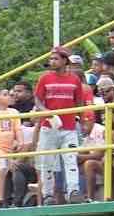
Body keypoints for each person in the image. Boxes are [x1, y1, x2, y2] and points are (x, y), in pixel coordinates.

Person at [33, 47, 86, 205]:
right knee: (47, 161)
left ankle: (73, 191)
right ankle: (48, 194)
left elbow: (79, 103)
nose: (52, 62)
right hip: (49, 126)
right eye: (51, 59)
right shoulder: (45, 78)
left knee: (70, 159)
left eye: (55, 59)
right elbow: (38, 100)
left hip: (69, 127)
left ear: (64, 60)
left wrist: (80, 122)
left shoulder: (75, 79)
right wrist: (46, 112)